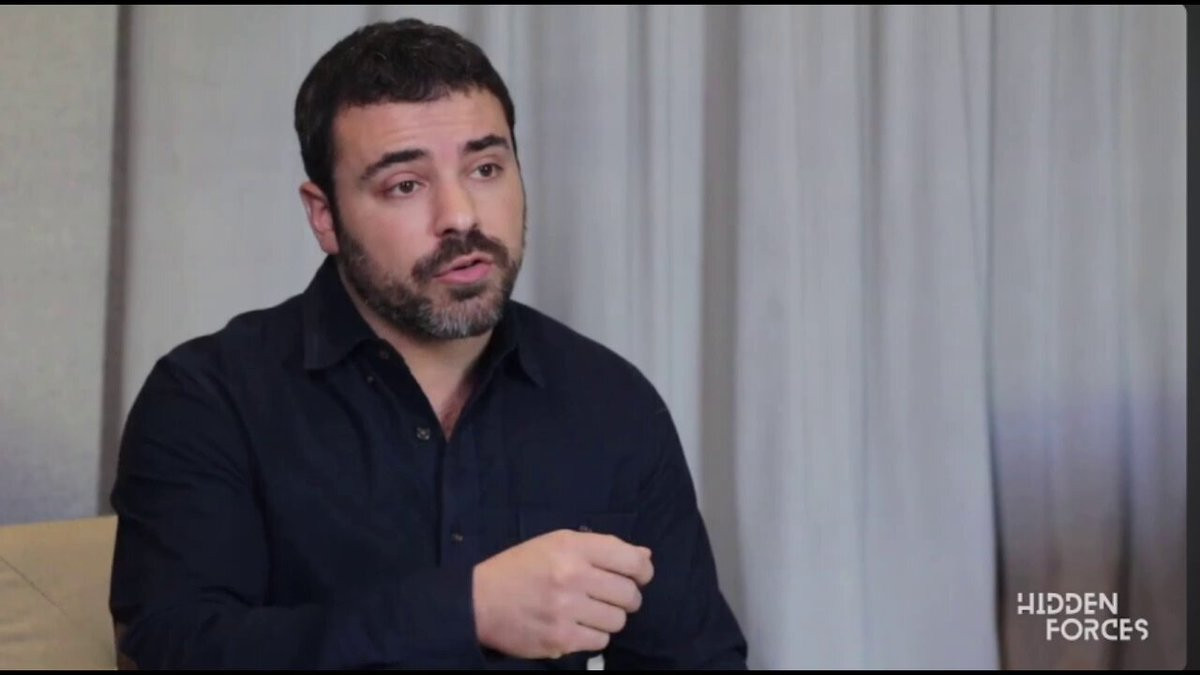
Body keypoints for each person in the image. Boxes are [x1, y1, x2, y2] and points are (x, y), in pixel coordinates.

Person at [108, 17, 748, 670]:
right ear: (325, 216)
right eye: (406, 185)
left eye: (486, 168)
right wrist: (467, 611)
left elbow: (699, 660)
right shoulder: (209, 398)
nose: (461, 215)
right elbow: (176, 649)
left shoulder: (611, 402)